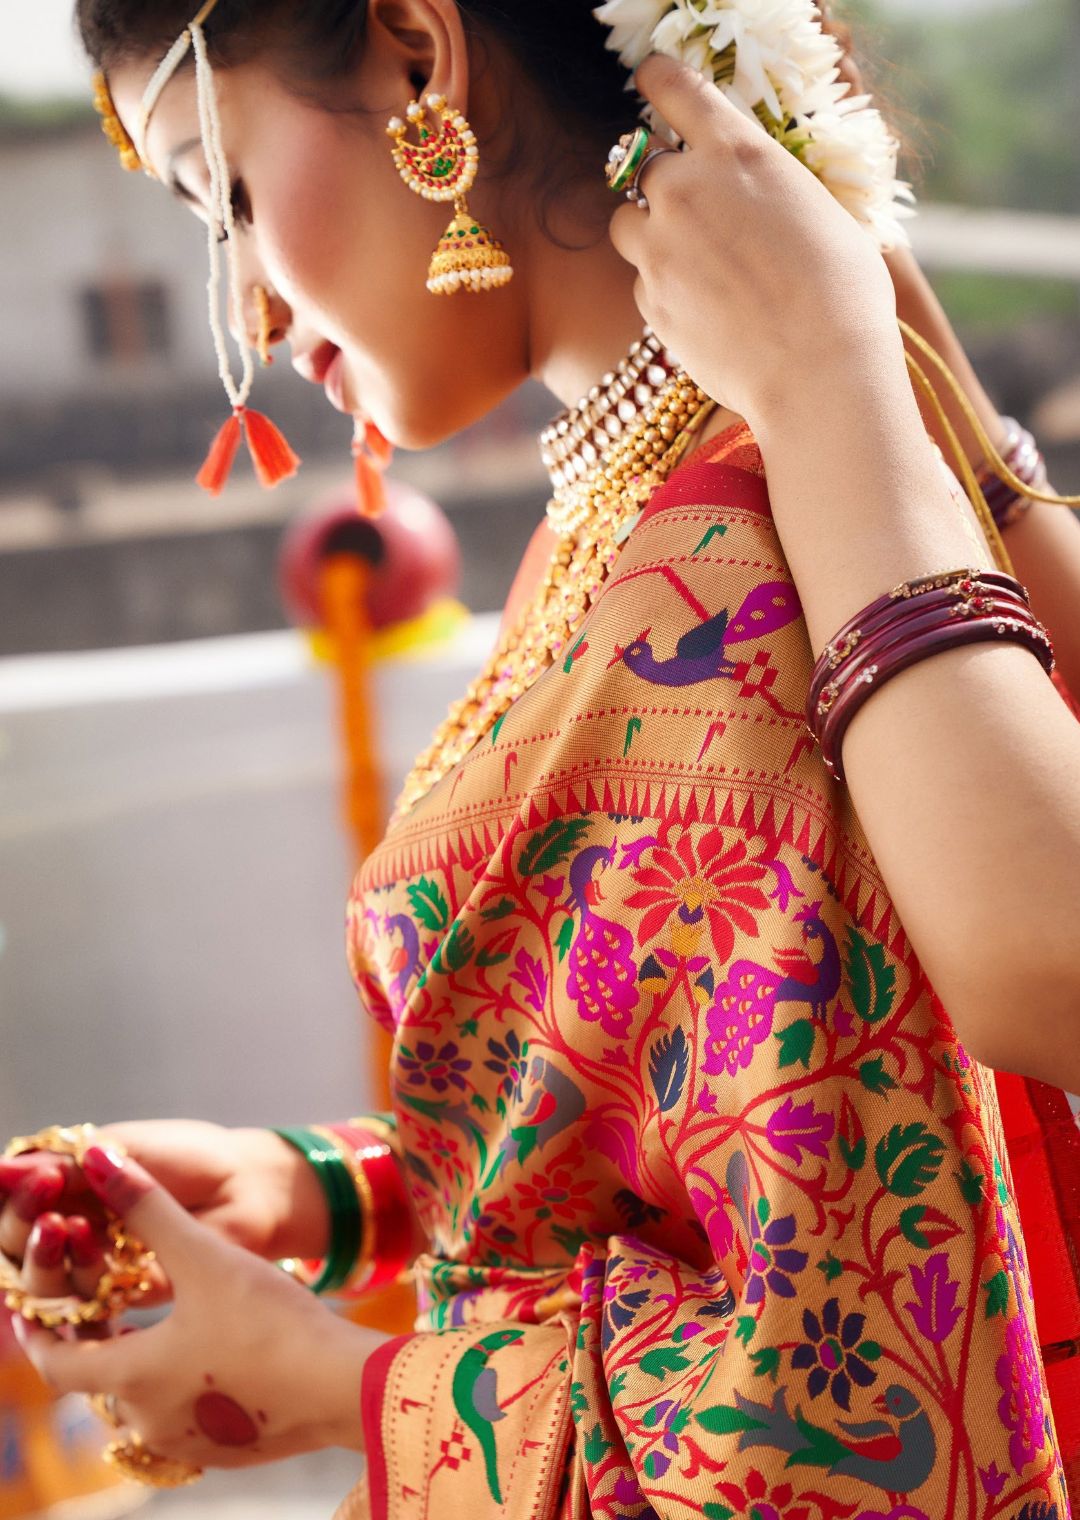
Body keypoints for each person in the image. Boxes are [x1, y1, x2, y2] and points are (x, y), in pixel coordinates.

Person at [4, 2, 1080, 1517]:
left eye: (226, 195)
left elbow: (836, 1377)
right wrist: (336, 1192)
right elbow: (687, 1116)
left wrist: (340, 1387)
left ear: (420, 59)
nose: (239, 310)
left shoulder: (737, 541)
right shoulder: (638, 515)